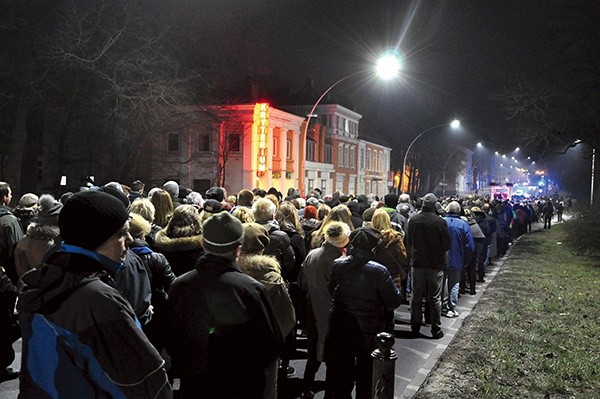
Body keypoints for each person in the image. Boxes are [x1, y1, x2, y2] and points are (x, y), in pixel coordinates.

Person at [17, 190, 171, 397]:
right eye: (121, 233)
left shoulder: (46, 279)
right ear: (96, 238)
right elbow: (142, 383)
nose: (130, 240)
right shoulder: (98, 301)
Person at [167, 212, 284, 399]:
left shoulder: (179, 286)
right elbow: (271, 345)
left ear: (203, 244)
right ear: (238, 249)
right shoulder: (250, 289)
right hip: (241, 386)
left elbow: (171, 338)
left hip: (195, 387)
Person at [326, 227, 403, 399]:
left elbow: (332, 290)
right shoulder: (379, 270)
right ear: (373, 247)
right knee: (366, 378)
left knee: (342, 378)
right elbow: (393, 301)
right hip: (369, 331)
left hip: (342, 329)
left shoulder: (338, 264)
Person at [237, 222, 296, 399]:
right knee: (266, 388)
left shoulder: (227, 272)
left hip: (232, 346)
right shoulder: (272, 276)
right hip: (265, 348)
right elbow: (288, 317)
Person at [297, 221, 350, 398]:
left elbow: (301, 282)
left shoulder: (313, 254)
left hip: (313, 307)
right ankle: (330, 392)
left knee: (313, 353)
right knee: (332, 356)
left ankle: (306, 387)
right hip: (332, 312)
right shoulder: (340, 261)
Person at [407, 193, 451, 339]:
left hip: (418, 263)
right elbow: (446, 244)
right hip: (435, 264)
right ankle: (435, 328)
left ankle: (415, 325)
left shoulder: (413, 220)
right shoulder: (440, 222)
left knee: (416, 296)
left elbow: (408, 241)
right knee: (434, 298)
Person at [442, 201, 474, 318]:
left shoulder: (442, 222)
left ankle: (443, 306)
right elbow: (469, 245)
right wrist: (466, 259)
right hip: (457, 258)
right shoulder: (463, 225)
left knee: (443, 283)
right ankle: (451, 307)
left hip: (441, 258)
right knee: (454, 284)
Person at [0, 182, 24, 284]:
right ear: (4, 198)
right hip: (6, 279)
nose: (11, 196)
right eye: (10, 194)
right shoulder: (9, 221)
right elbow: (17, 250)